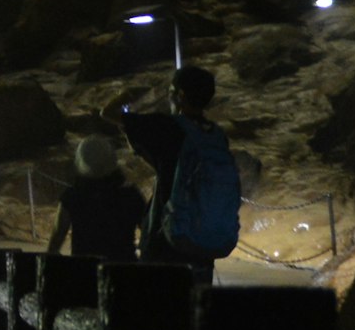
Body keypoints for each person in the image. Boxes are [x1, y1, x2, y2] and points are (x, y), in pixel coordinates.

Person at [119, 65, 243, 263]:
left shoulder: (167, 127)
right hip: (203, 242)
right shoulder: (217, 136)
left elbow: (107, 114)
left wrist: (126, 96)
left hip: (168, 238)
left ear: (180, 95)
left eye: (170, 92)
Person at [46, 135, 145, 260]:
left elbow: (56, 239)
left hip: (86, 270)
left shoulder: (72, 196)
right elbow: (148, 232)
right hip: (123, 268)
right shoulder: (131, 195)